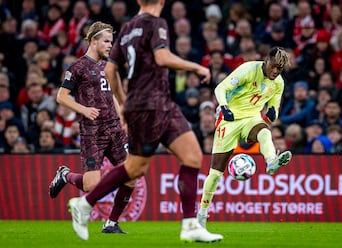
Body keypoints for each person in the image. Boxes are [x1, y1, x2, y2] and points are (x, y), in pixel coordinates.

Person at [67, 0, 223, 243]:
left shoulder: (128, 28)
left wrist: (124, 104)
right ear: (162, 2)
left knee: (190, 156)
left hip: (152, 105)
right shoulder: (156, 23)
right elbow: (161, 57)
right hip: (152, 105)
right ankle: (84, 204)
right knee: (135, 168)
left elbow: (110, 71)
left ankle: (190, 224)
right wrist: (195, 67)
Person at [48, 21, 133, 235]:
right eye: (106, 41)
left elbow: (113, 93)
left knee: (132, 174)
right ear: (93, 40)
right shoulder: (78, 67)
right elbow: (61, 96)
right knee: (91, 187)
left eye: (111, 42)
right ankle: (65, 175)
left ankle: (111, 223)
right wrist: (83, 109)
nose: (109, 46)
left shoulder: (109, 67)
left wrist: (123, 118)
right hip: (92, 132)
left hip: (114, 129)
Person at [197, 47, 293, 229]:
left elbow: (274, 109)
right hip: (229, 120)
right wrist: (224, 107)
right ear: (267, 61)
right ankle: (202, 212)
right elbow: (220, 88)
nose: (275, 72)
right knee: (216, 173)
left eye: (279, 69)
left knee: (265, 131)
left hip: (251, 118)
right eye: (273, 67)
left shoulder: (278, 83)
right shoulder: (249, 70)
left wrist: (273, 112)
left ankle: (271, 161)